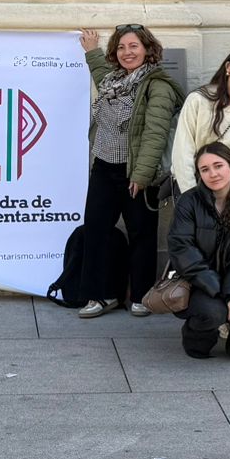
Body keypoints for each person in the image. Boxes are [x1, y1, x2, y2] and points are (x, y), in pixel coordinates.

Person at [74, 24, 180, 318]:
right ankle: (99, 295)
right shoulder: (113, 81)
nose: (127, 52)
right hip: (104, 168)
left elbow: (155, 134)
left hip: (137, 173)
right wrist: (91, 51)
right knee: (95, 231)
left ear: (147, 49)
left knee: (142, 234)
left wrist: (141, 176)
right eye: (121, 47)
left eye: (133, 46)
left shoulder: (159, 85)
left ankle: (142, 295)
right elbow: (99, 75)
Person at [168, 142, 230, 362]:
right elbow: (183, 252)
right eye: (205, 169)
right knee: (214, 312)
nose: (213, 173)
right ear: (199, 175)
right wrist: (222, 292)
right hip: (199, 283)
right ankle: (195, 340)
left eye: (218, 166)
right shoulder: (189, 202)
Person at [169, 45, 230, 196]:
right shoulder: (198, 100)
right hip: (194, 185)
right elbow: (183, 150)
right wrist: (191, 196)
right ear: (228, 66)